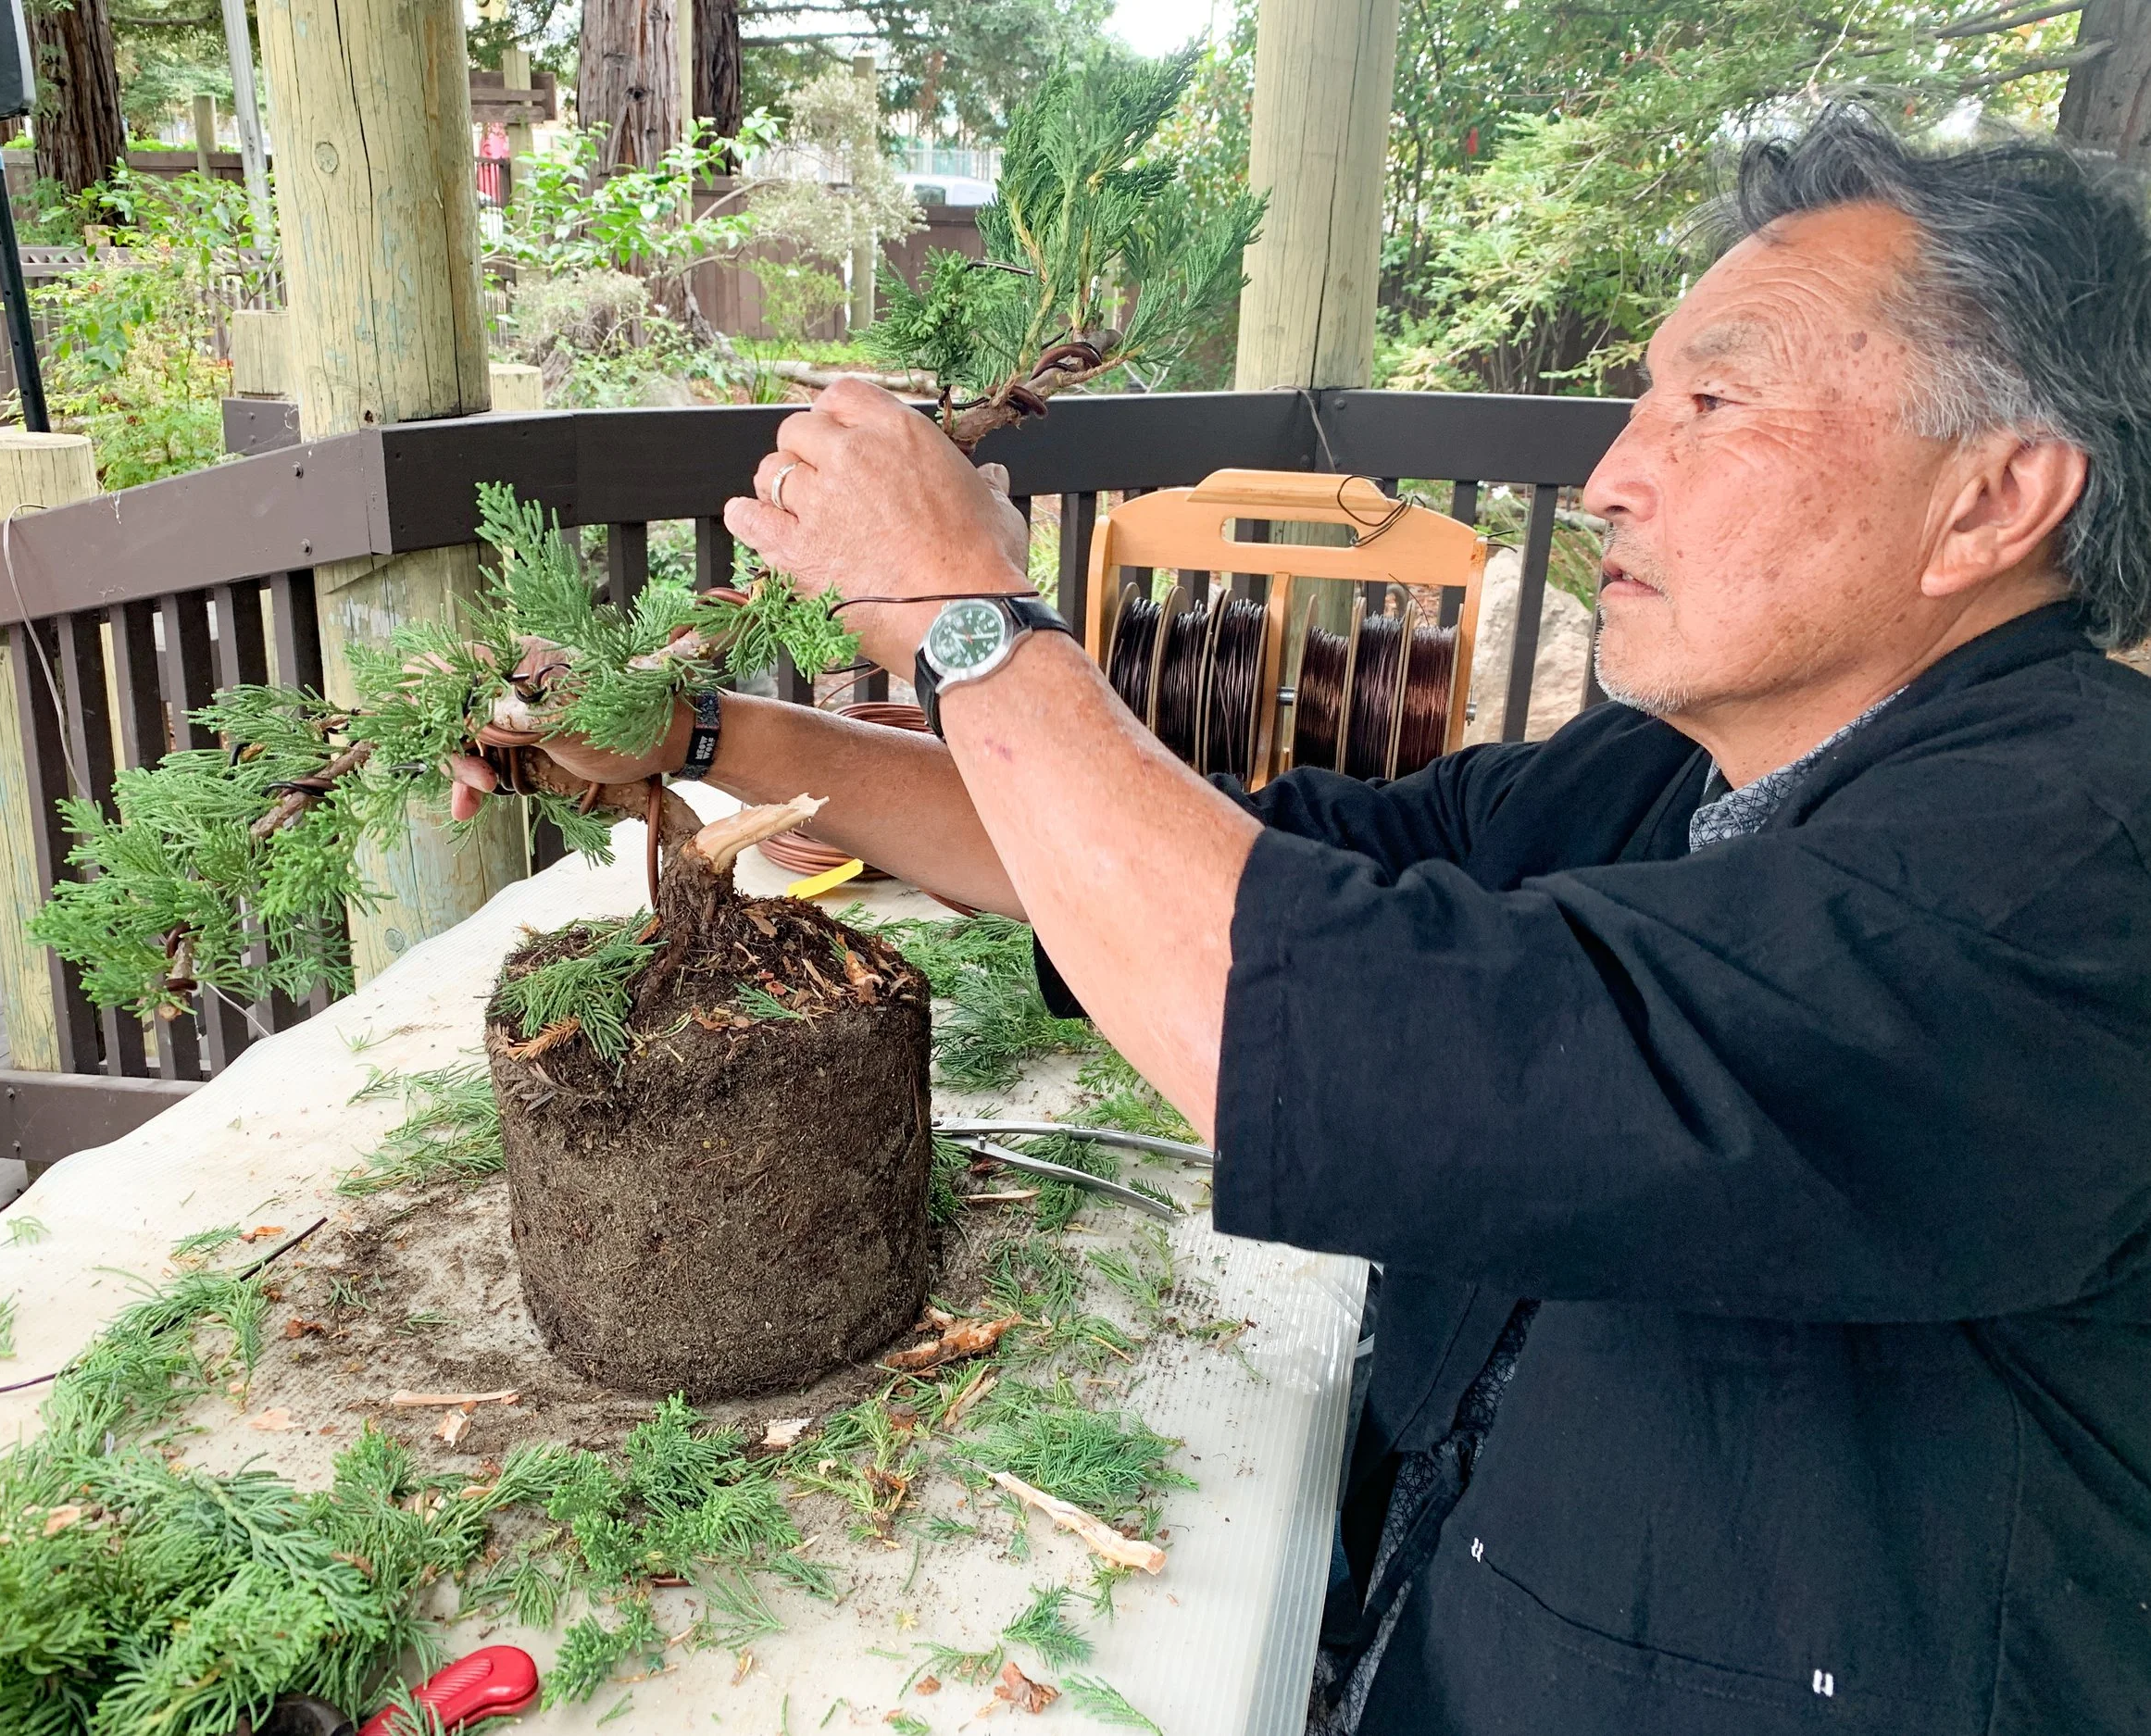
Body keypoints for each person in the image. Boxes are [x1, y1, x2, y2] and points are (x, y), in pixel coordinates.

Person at [456, 113, 2151, 1733]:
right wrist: (700, 738)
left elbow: (1367, 1043)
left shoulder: (2068, 871)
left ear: (1996, 501)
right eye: (1645, 397)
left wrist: (977, 622)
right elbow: (1245, 867)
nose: (1620, 472)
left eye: (1714, 401)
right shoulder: (1671, 770)